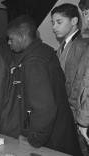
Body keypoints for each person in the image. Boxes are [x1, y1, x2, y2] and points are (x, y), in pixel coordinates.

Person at [6, 15, 81, 155]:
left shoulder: (33, 62)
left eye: (11, 38)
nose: (9, 43)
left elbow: (44, 108)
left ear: (22, 37)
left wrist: (34, 139)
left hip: (51, 139)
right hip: (61, 129)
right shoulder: (45, 50)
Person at [52, 3, 89, 155]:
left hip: (75, 115)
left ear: (74, 21)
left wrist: (77, 118)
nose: (54, 27)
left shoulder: (82, 45)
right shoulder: (63, 46)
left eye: (59, 22)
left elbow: (79, 84)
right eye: (52, 23)